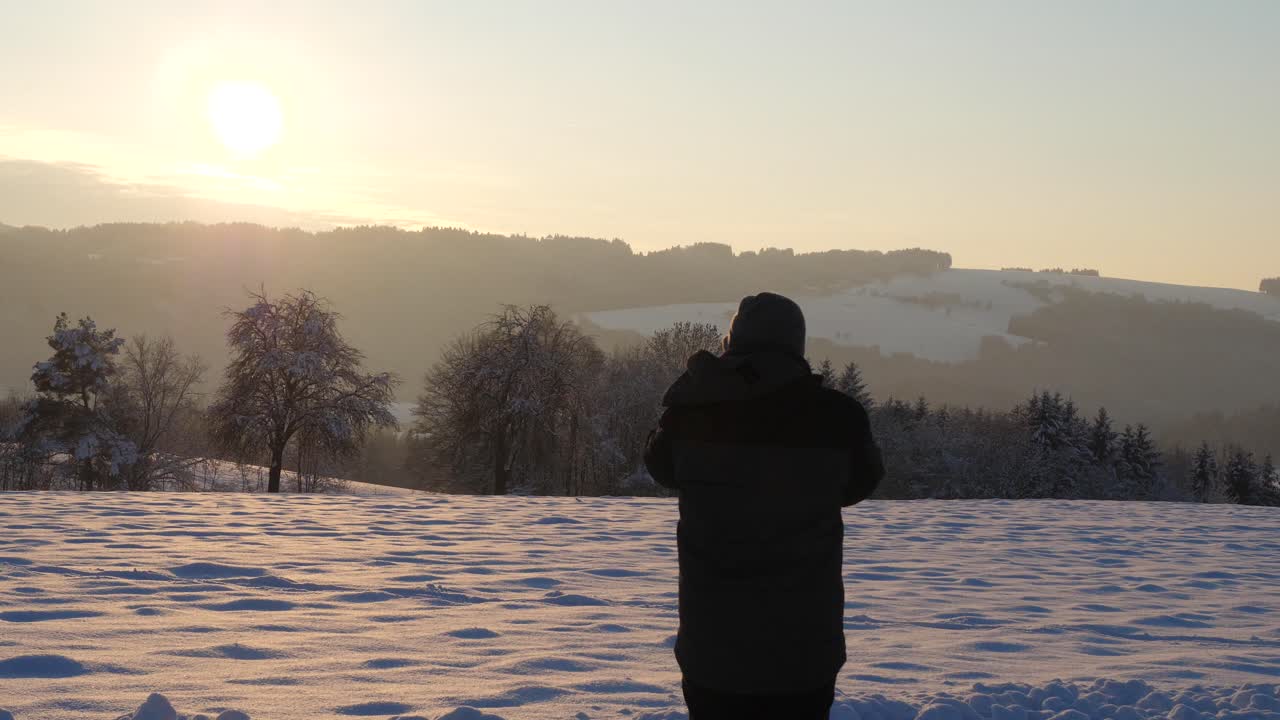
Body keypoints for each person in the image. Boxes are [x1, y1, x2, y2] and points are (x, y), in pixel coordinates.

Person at [644, 291, 884, 720]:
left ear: (733, 343)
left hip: (712, 648)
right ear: (796, 344)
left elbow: (659, 466)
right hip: (804, 651)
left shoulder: (692, 412)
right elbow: (861, 483)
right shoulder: (839, 418)